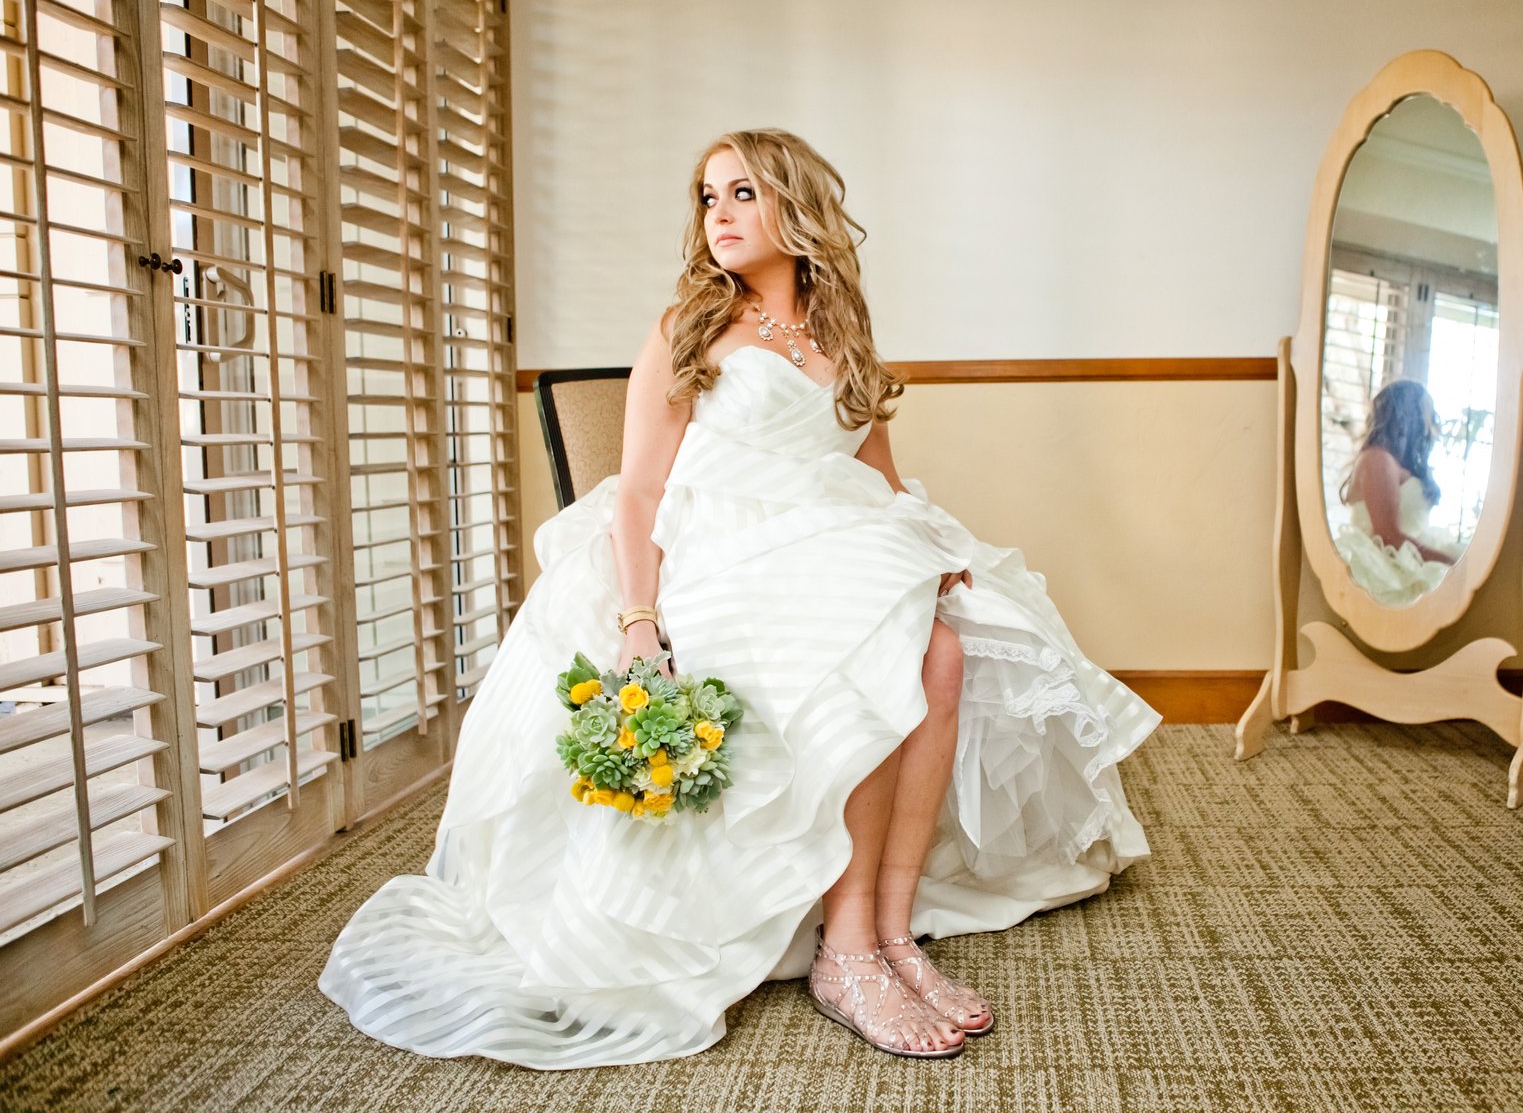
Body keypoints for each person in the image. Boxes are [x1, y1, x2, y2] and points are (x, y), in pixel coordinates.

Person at [317, 128, 1161, 1069]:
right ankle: (846, 953)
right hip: (716, 551)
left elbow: (878, 472)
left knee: (947, 651)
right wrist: (640, 622)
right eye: (708, 197)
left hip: (835, 542)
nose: (718, 214)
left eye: (743, 194)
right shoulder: (690, 321)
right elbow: (639, 491)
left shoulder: (840, 329)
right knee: (877, 648)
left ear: (795, 207)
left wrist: (931, 543)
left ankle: (888, 932)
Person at [1333, 378, 1462, 604]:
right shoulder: (1377, 459)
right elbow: (1387, 535)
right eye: (1427, 411)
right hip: (1384, 570)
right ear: (1409, 414)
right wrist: (1454, 563)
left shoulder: (1395, 463)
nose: (1432, 421)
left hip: (1406, 558)